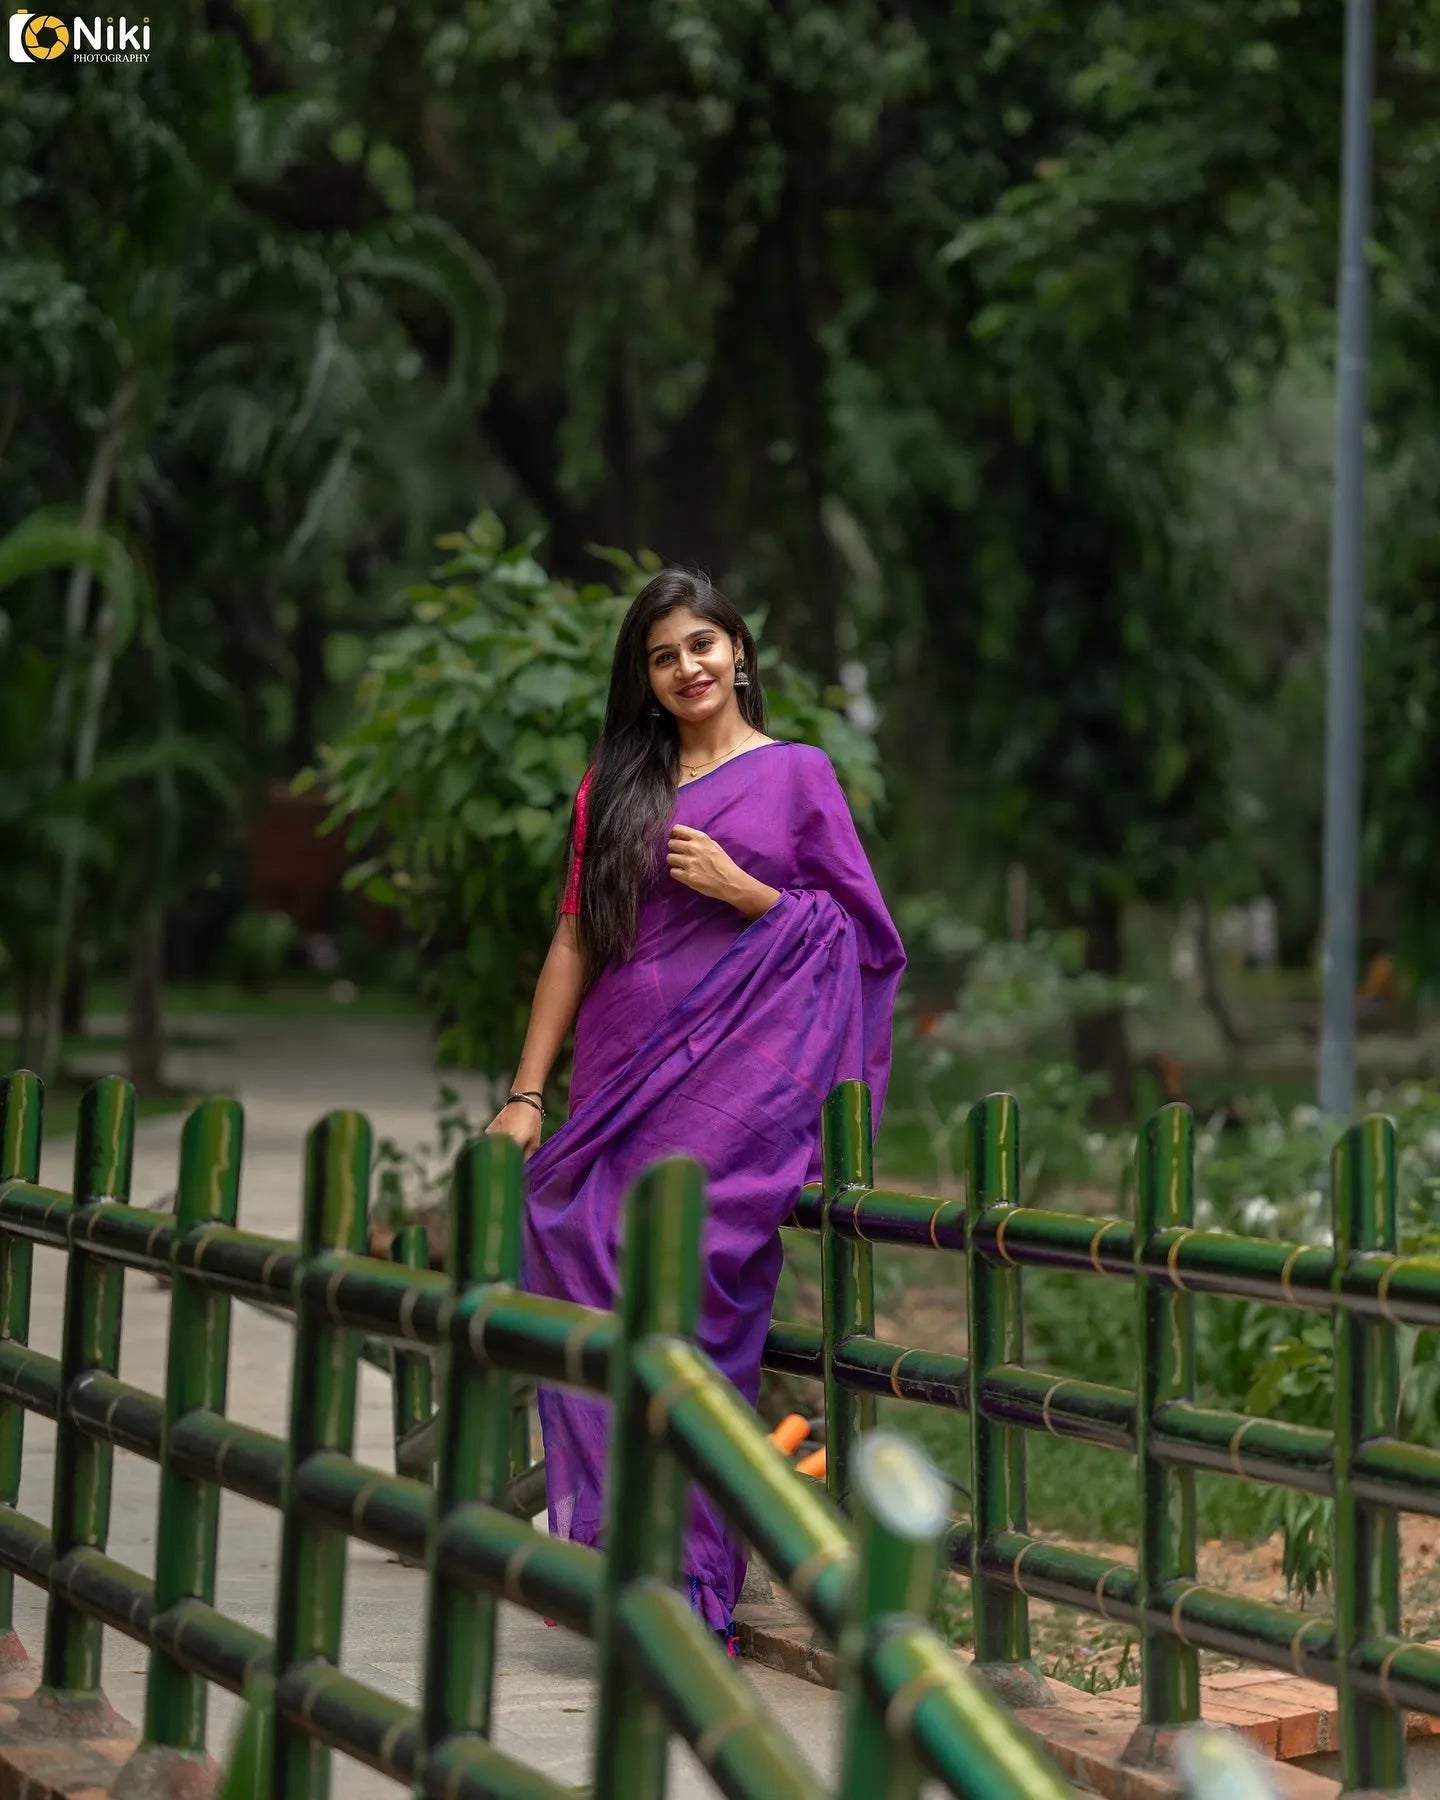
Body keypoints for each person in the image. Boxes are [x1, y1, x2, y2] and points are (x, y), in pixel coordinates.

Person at [485, 567, 905, 1649]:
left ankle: (685, 1584)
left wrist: (744, 891)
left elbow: (861, 939)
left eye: (703, 646)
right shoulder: (613, 788)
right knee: (587, 1264)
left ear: (740, 652)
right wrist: (529, 1093)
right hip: (625, 1060)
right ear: (647, 674)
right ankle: (623, 1568)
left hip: (739, 1081)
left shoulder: (799, 776)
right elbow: (575, 939)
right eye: (664, 655)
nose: (688, 668)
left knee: (689, 1286)